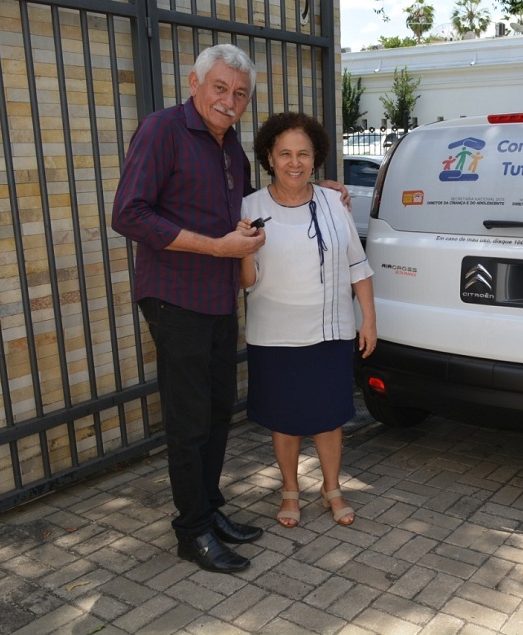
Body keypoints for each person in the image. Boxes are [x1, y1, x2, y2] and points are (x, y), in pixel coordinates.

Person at [111, 45, 348, 573]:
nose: (229, 100)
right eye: (220, 88)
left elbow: (254, 211)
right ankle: (191, 530)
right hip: (175, 297)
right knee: (189, 418)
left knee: (218, 413)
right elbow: (128, 214)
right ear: (194, 83)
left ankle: (210, 510)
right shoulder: (162, 130)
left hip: (218, 299)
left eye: (240, 93)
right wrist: (214, 247)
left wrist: (316, 189)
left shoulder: (231, 151)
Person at [238, 112, 376, 529]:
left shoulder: (335, 202)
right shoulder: (250, 207)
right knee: (285, 419)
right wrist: (244, 247)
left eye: (303, 153)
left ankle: (332, 488)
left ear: (316, 158)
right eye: (284, 154)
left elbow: (358, 266)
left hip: (330, 330)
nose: (294, 162)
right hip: (273, 332)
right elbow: (247, 281)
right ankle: (290, 489)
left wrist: (367, 320)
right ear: (269, 157)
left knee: (329, 417)